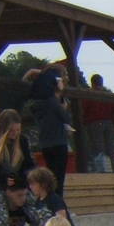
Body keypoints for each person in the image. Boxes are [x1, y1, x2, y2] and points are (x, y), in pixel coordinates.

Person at [24, 62, 72, 200]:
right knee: (58, 179)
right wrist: (61, 100)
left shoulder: (38, 104)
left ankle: (50, 202)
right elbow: (65, 118)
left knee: (50, 176)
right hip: (58, 142)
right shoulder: (53, 102)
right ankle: (58, 204)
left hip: (46, 143)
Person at [80, 74, 114, 173]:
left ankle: (101, 170)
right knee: (110, 147)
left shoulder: (89, 94)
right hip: (109, 123)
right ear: (102, 82)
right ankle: (111, 170)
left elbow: (83, 110)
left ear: (92, 83)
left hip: (95, 123)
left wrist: (83, 123)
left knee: (98, 147)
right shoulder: (108, 94)